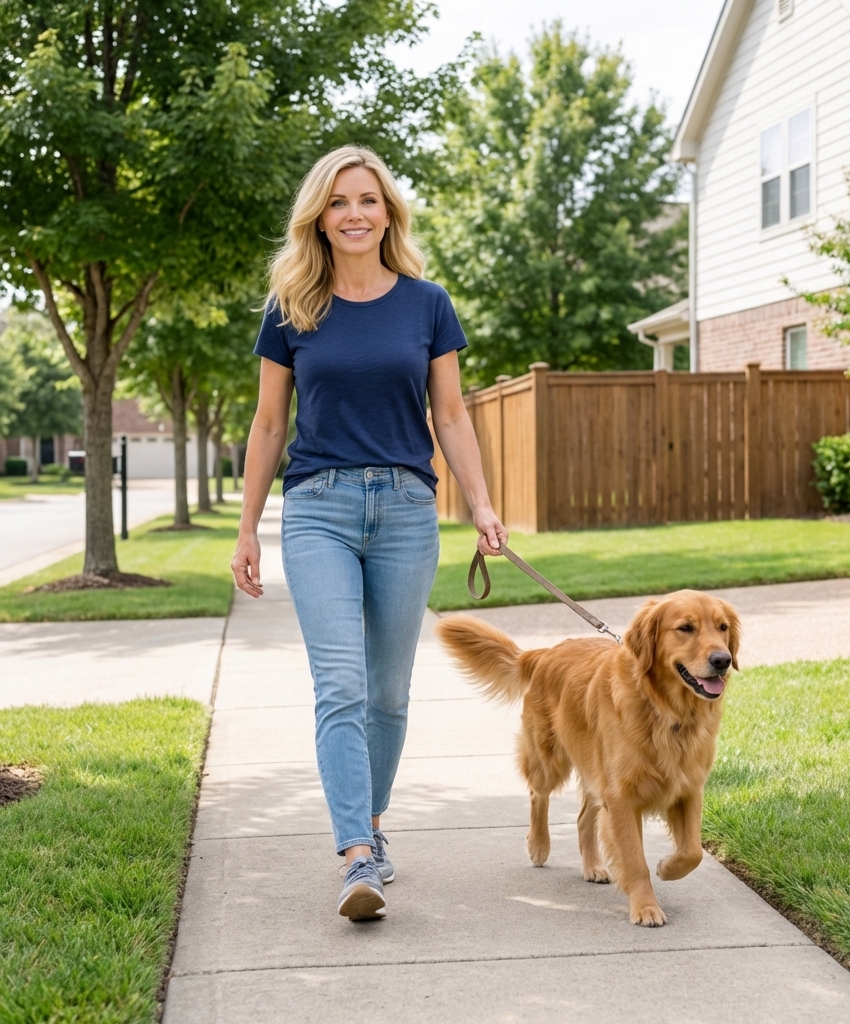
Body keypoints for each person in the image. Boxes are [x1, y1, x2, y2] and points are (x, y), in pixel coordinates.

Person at [230, 146, 507, 922]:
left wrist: (481, 504)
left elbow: (450, 415)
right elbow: (268, 422)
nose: (355, 214)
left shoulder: (427, 304)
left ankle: (373, 831)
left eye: (369, 201)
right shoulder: (290, 307)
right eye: (340, 201)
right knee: (341, 687)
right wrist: (248, 528)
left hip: (406, 512)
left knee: (386, 694)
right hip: (317, 507)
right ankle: (355, 852)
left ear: (389, 213)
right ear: (319, 214)